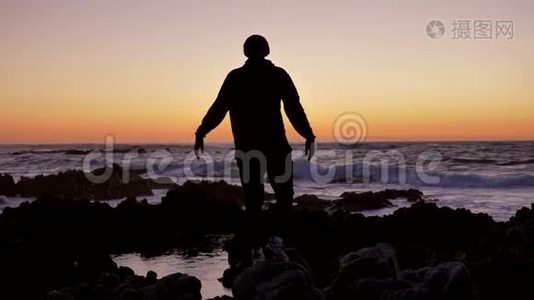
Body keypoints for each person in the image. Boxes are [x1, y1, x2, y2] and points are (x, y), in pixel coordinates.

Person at [194, 34, 315, 259]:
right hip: (275, 144)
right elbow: (294, 108)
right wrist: (308, 134)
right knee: (284, 195)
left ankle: (256, 248)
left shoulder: (235, 77)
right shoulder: (278, 75)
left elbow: (218, 109)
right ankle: (275, 241)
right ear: (267, 50)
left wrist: (201, 131)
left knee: (253, 198)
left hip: (248, 147)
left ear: (245, 52)